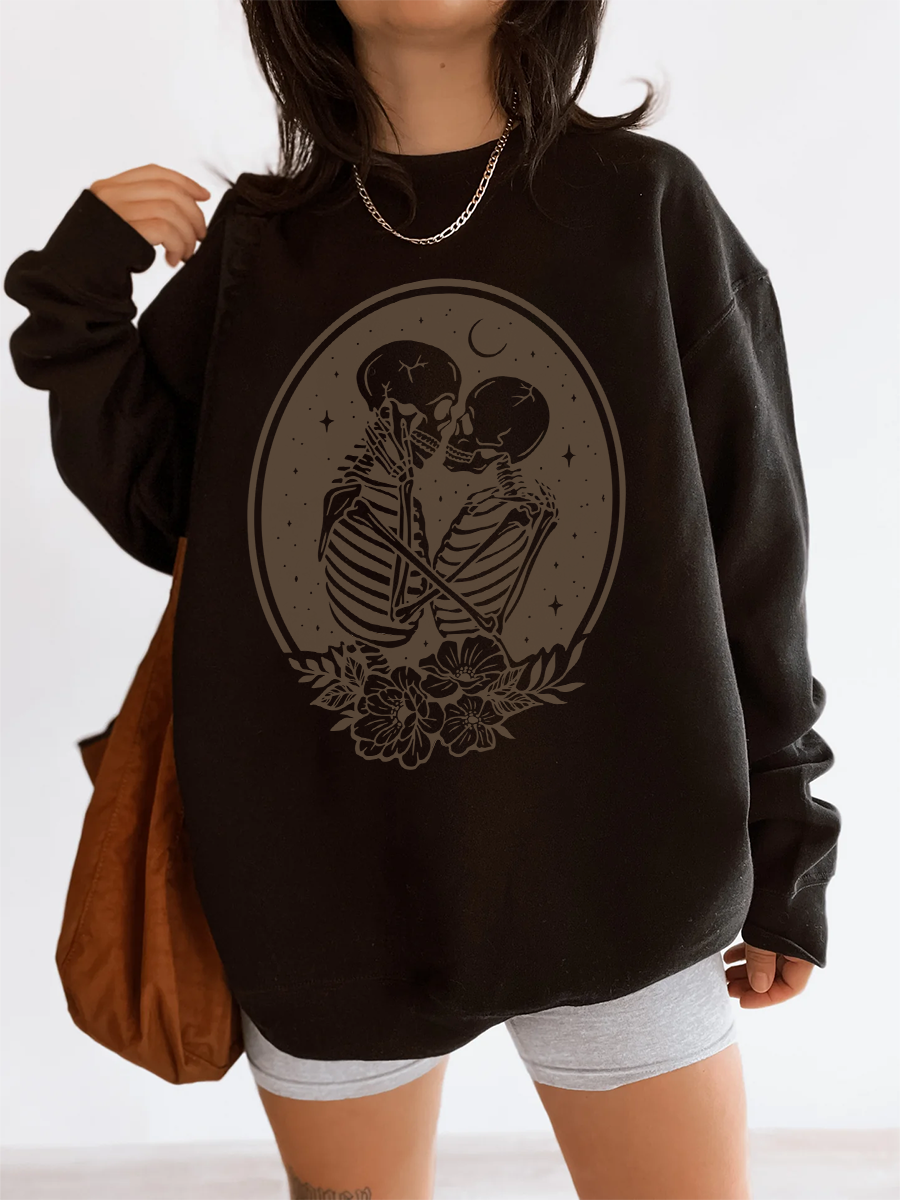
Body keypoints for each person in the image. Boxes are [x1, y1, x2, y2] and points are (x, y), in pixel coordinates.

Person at [4, 2, 841, 1197]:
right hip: (324, 885)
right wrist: (76, 300)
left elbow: (753, 546)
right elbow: (159, 506)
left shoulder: (645, 207)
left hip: (621, 864)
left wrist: (791, 846)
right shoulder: (260, 244)